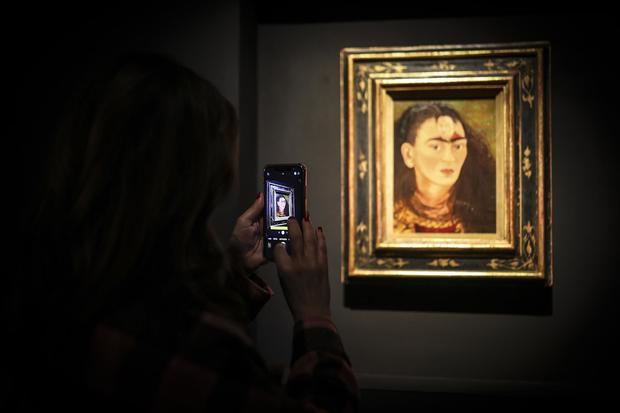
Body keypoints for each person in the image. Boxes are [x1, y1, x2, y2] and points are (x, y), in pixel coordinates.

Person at [10, 53, 358, 411]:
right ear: (183, 190)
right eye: (210, 194)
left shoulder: (51, 294)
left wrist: (234, 274)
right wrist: (314, 314)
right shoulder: (188, 345)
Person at [394, 102, 496, 233]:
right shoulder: (388, 217)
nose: (449, 158)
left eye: (457, 146)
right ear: (408, 154)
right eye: (436, 147)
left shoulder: (484, 213)